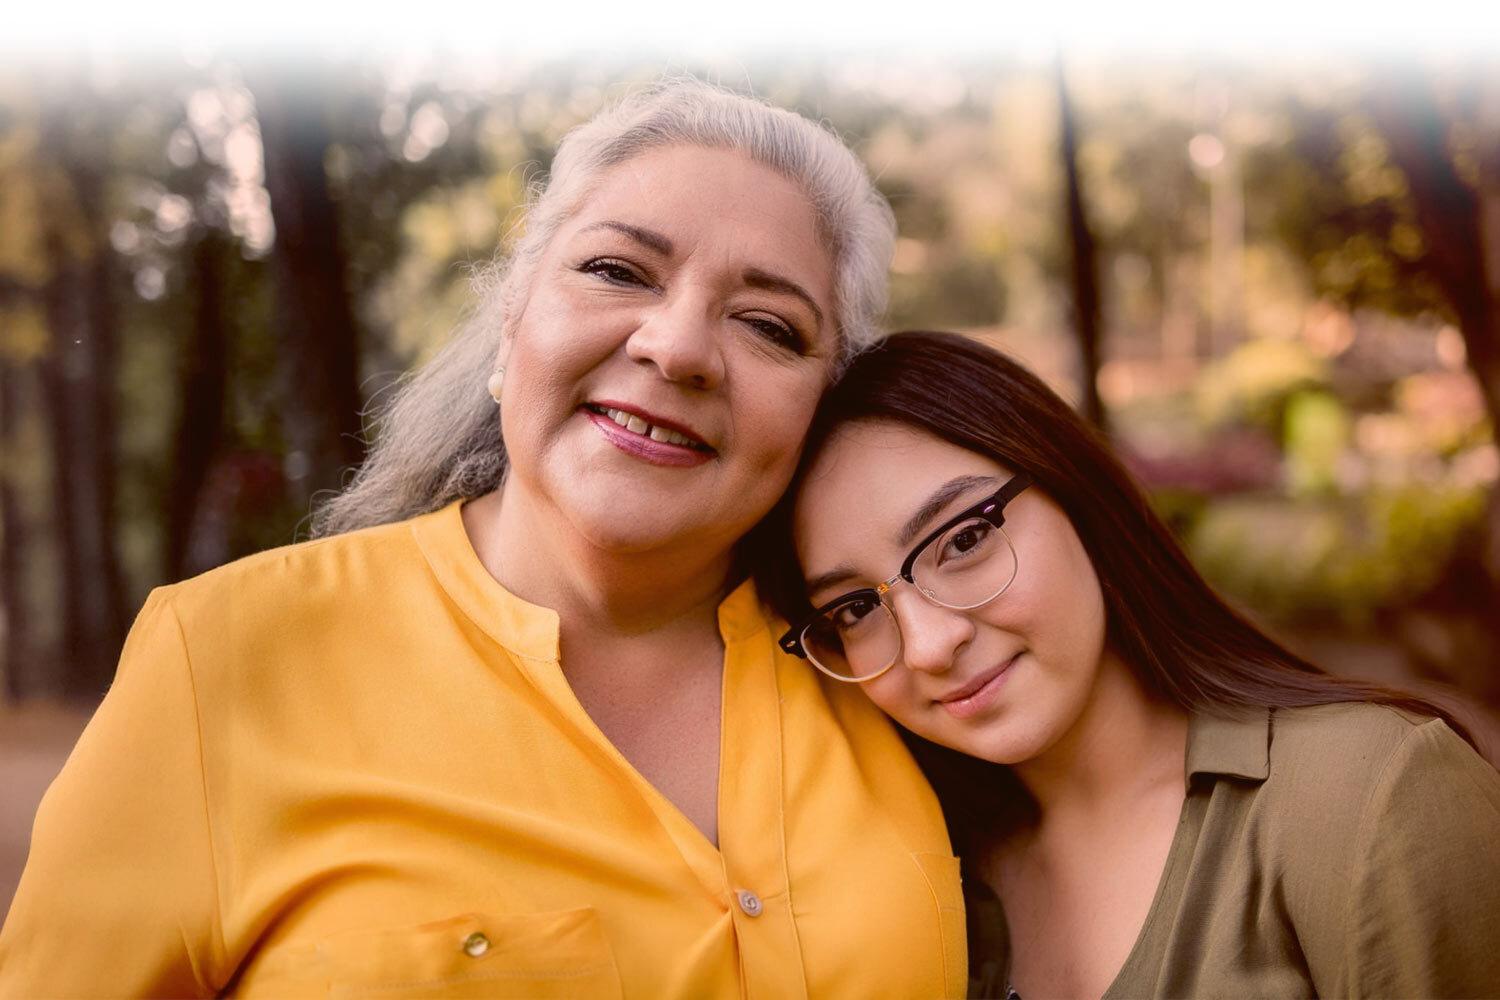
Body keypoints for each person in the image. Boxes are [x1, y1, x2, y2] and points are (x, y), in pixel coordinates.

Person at [0, 84, 967, 998]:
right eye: (616, 270)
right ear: (512, 325)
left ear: (820, 406)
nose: (676, 348)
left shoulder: (904, 673)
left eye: (768, 324)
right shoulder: (223, 659)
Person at [757, 330, 1500, 999]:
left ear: (1079, 495)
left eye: (962, 541)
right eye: (855, 609)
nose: (927, 644)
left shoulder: (1367, 796)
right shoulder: (928, 879)